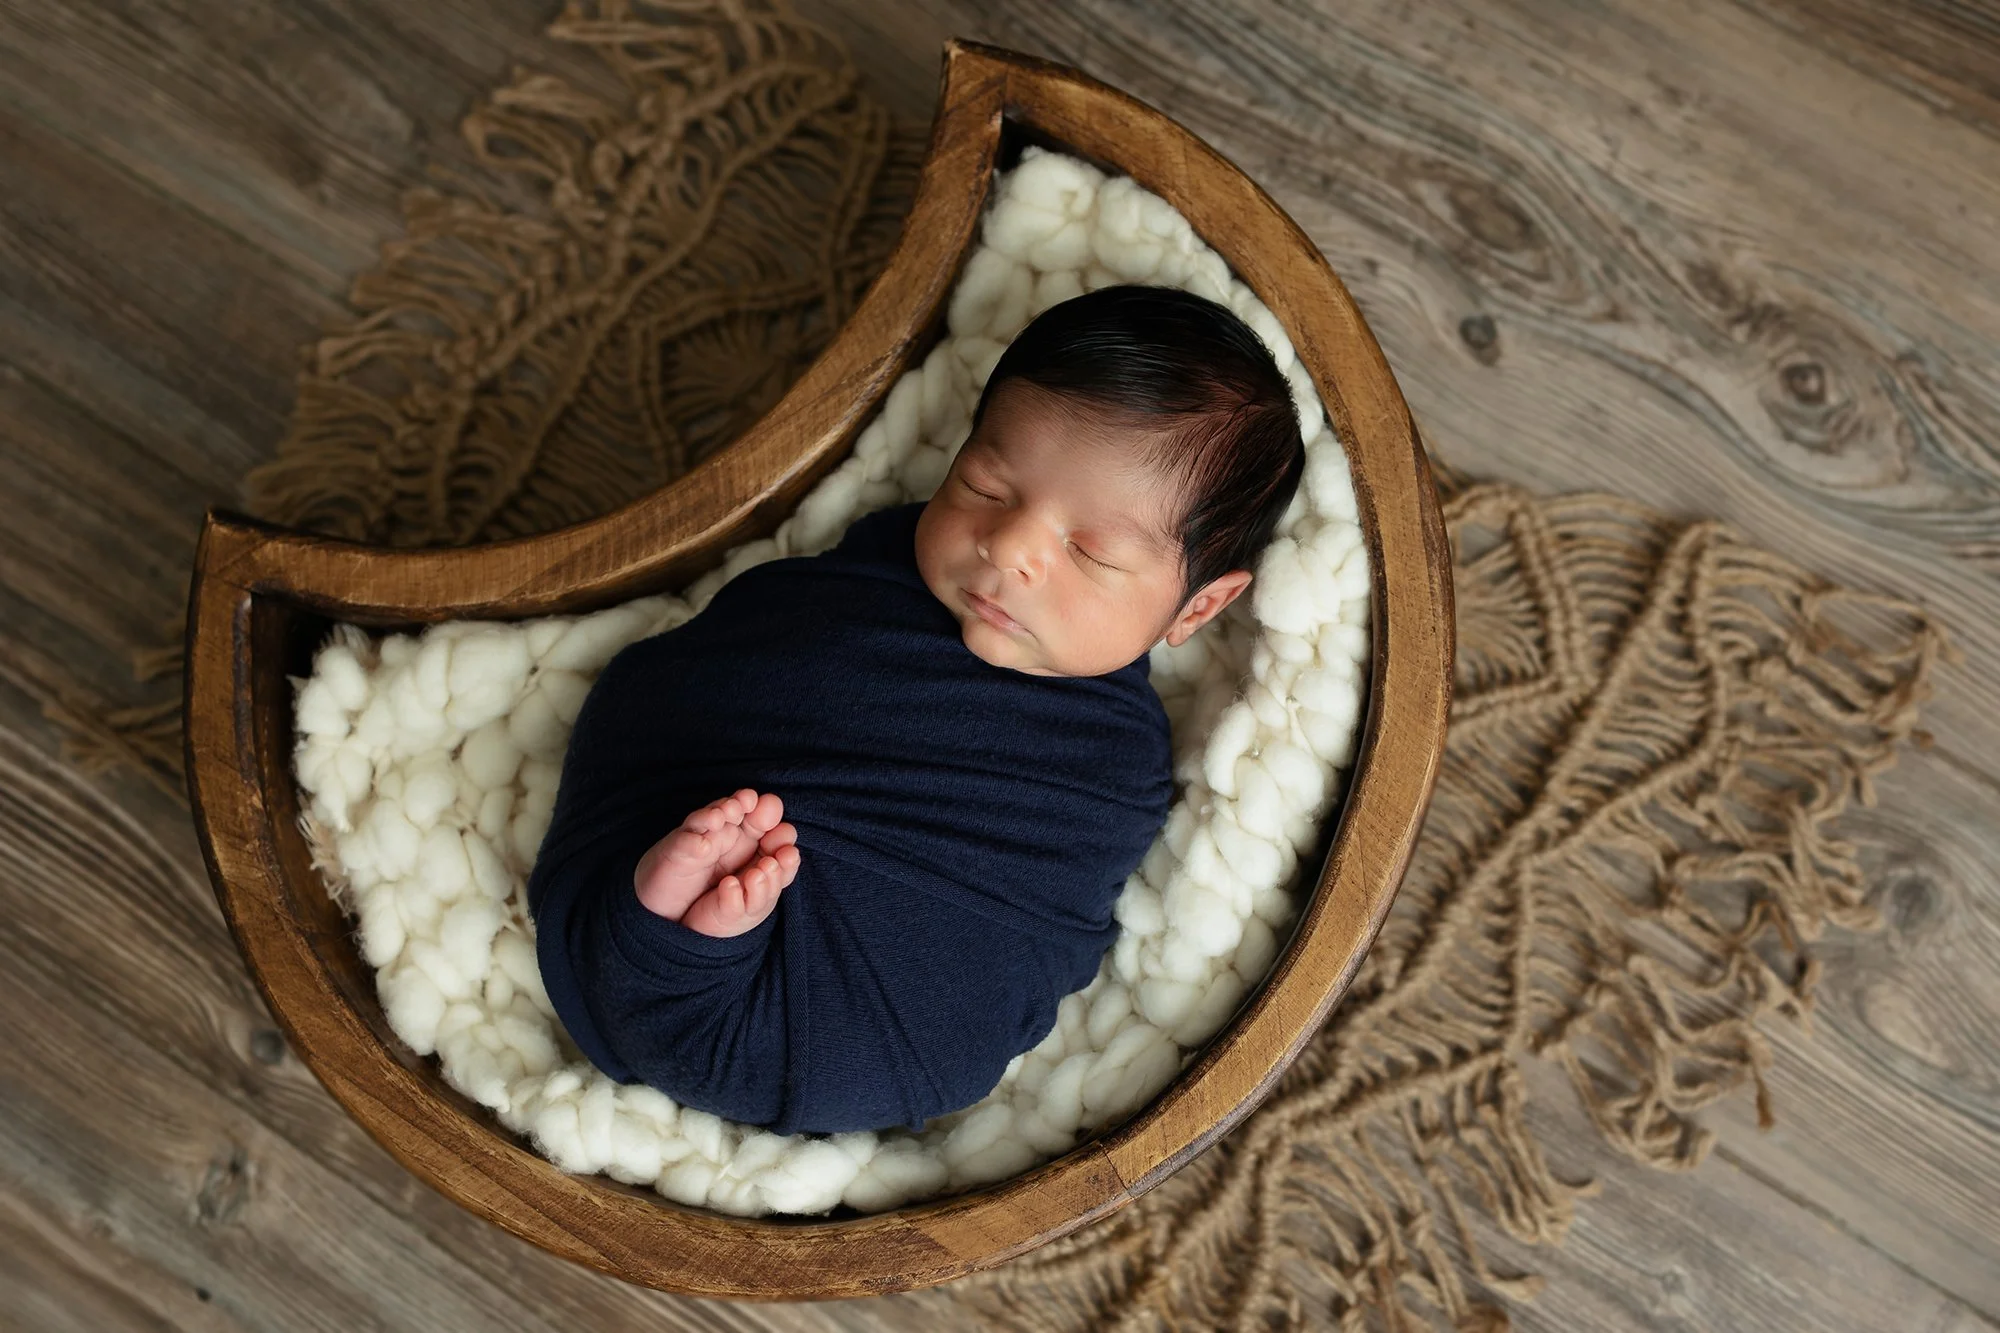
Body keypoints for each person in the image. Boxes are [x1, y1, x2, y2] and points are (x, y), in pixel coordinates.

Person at [527, 284, 1306, 1136]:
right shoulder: (874, 572)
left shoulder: (1111, 768)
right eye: (986, 485)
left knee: (883, 1010)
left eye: (1088, 552)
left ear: (1196, 609)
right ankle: (682, 931)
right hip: (686, 851)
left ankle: (681, 938)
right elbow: (723, 671)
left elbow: (1029, 927)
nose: (1008, 548)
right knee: (702, 834)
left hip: (851, 1037)